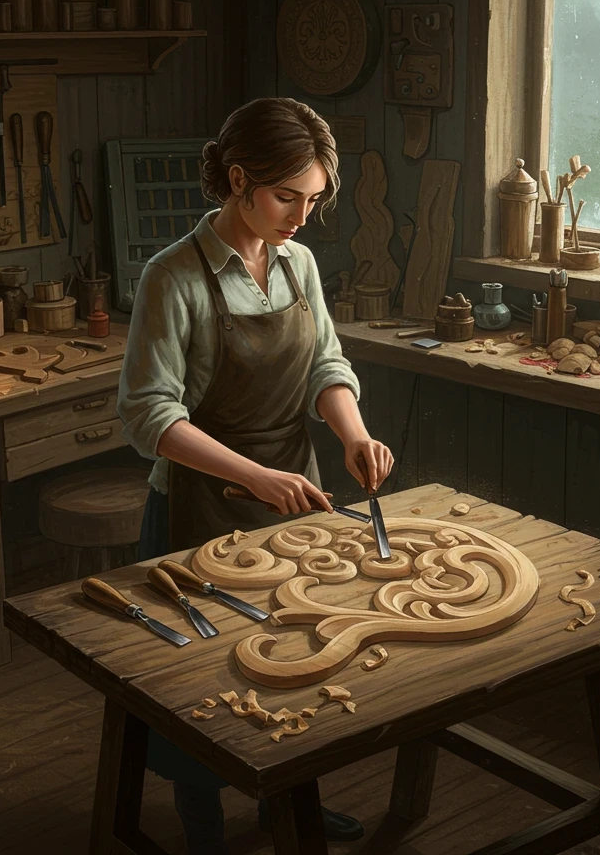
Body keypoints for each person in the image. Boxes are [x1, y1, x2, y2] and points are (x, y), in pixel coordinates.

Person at [117, 97, 395, 853]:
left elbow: (326, 364)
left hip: (293, 500)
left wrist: (354, 435)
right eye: (286, 197)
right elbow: (149, 417)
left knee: (297, 660)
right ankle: (202, 824)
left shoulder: (299, 264)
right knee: (202, 680)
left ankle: (287, 807)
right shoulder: (172, 276)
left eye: (314, 201)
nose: (302, 218)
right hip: (199, 506)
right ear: (237, 179)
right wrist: (258, 477)